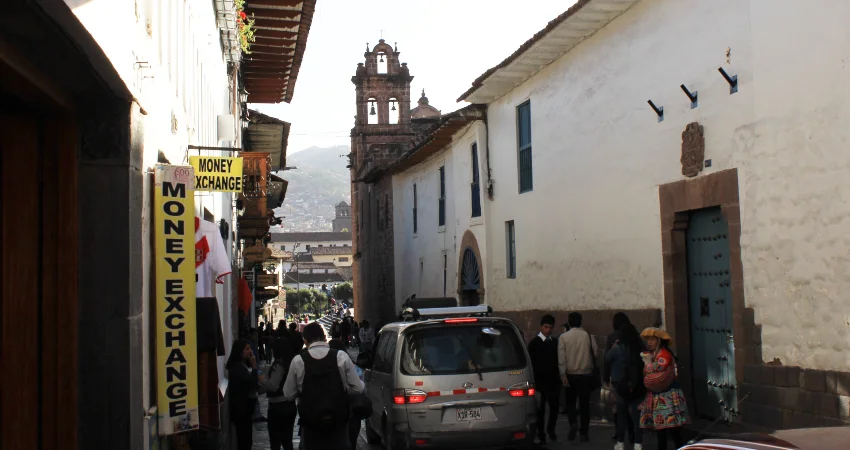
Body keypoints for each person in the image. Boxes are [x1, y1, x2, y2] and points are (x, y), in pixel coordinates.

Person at [283, 323, 364, 450]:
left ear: (305, 340)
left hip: (310, 423)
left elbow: (288, 394)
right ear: (324, 338)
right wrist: (343, 388)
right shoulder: (341, 356)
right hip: (338, 421)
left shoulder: (298, 361)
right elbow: (358, 388)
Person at [639, 327, 690, 450]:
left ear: (660, 341)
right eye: (648, 340)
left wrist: (647, 366)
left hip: (667, 397)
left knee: (669, 430)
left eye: (652, 339)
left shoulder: (664, 354)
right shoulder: (654, 355)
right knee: (665, 430)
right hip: (659, 397)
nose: (649, 342)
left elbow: (657, 369)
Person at [557, 312, 598, 443]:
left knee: (570, 402)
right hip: (585, 374)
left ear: (569, 322)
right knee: (584, 404)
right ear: (581, 322)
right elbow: (595, 353)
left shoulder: (563, 337)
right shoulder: (588, 336)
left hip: (570, 375)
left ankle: (573, 422)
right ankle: (584, 432)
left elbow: (561, 358)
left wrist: (563, 374)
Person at [606, 324, 645, 450]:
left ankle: (620, 443)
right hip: (637, 385)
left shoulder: (617, 348)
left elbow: (607, 358)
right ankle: (638, 443)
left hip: (620, 385)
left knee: (621, 415)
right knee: (637, 416)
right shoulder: (640, 347)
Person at [527, 314, 560, 445]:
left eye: (550, 328)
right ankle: (541, 434)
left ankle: (550, 429)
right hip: (540, 382)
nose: (548, 330)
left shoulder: (555, 343)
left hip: (553, 381)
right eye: (546, 327)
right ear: (541, 327)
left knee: (554, 407)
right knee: (540, 410)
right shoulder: (534, 344)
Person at [260, 336, 298, 450]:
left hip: (278, 406)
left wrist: (262, 379)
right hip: (289, 405)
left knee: (275, 441)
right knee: (287, 441)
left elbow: (273, 386)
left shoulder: (279, 365)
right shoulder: (290, 364)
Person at [226, 339, 263, 450]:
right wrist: (255, 366)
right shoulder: (237, 368)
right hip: (242, 411)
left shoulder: (242, 366)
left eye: (250, 348)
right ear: (239, 351)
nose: (250, 351)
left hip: (246, 411)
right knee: (245, 442)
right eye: (247, 349)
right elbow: (251, 382)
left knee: (247, 441)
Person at [329, 339, 363, 450]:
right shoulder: (353, 366)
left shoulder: (326, 366)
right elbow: (361, 387)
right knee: (351, 442)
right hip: (352, 410)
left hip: (334, 411)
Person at [604, 312, 632, 441]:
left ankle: (619, 432)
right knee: (630, 408)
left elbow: (607, 359)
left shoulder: (611, 338)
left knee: (618, 407)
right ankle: (632, 433)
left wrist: (605, 377)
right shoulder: (634, 337)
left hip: (616, 378)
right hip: (631, 378)